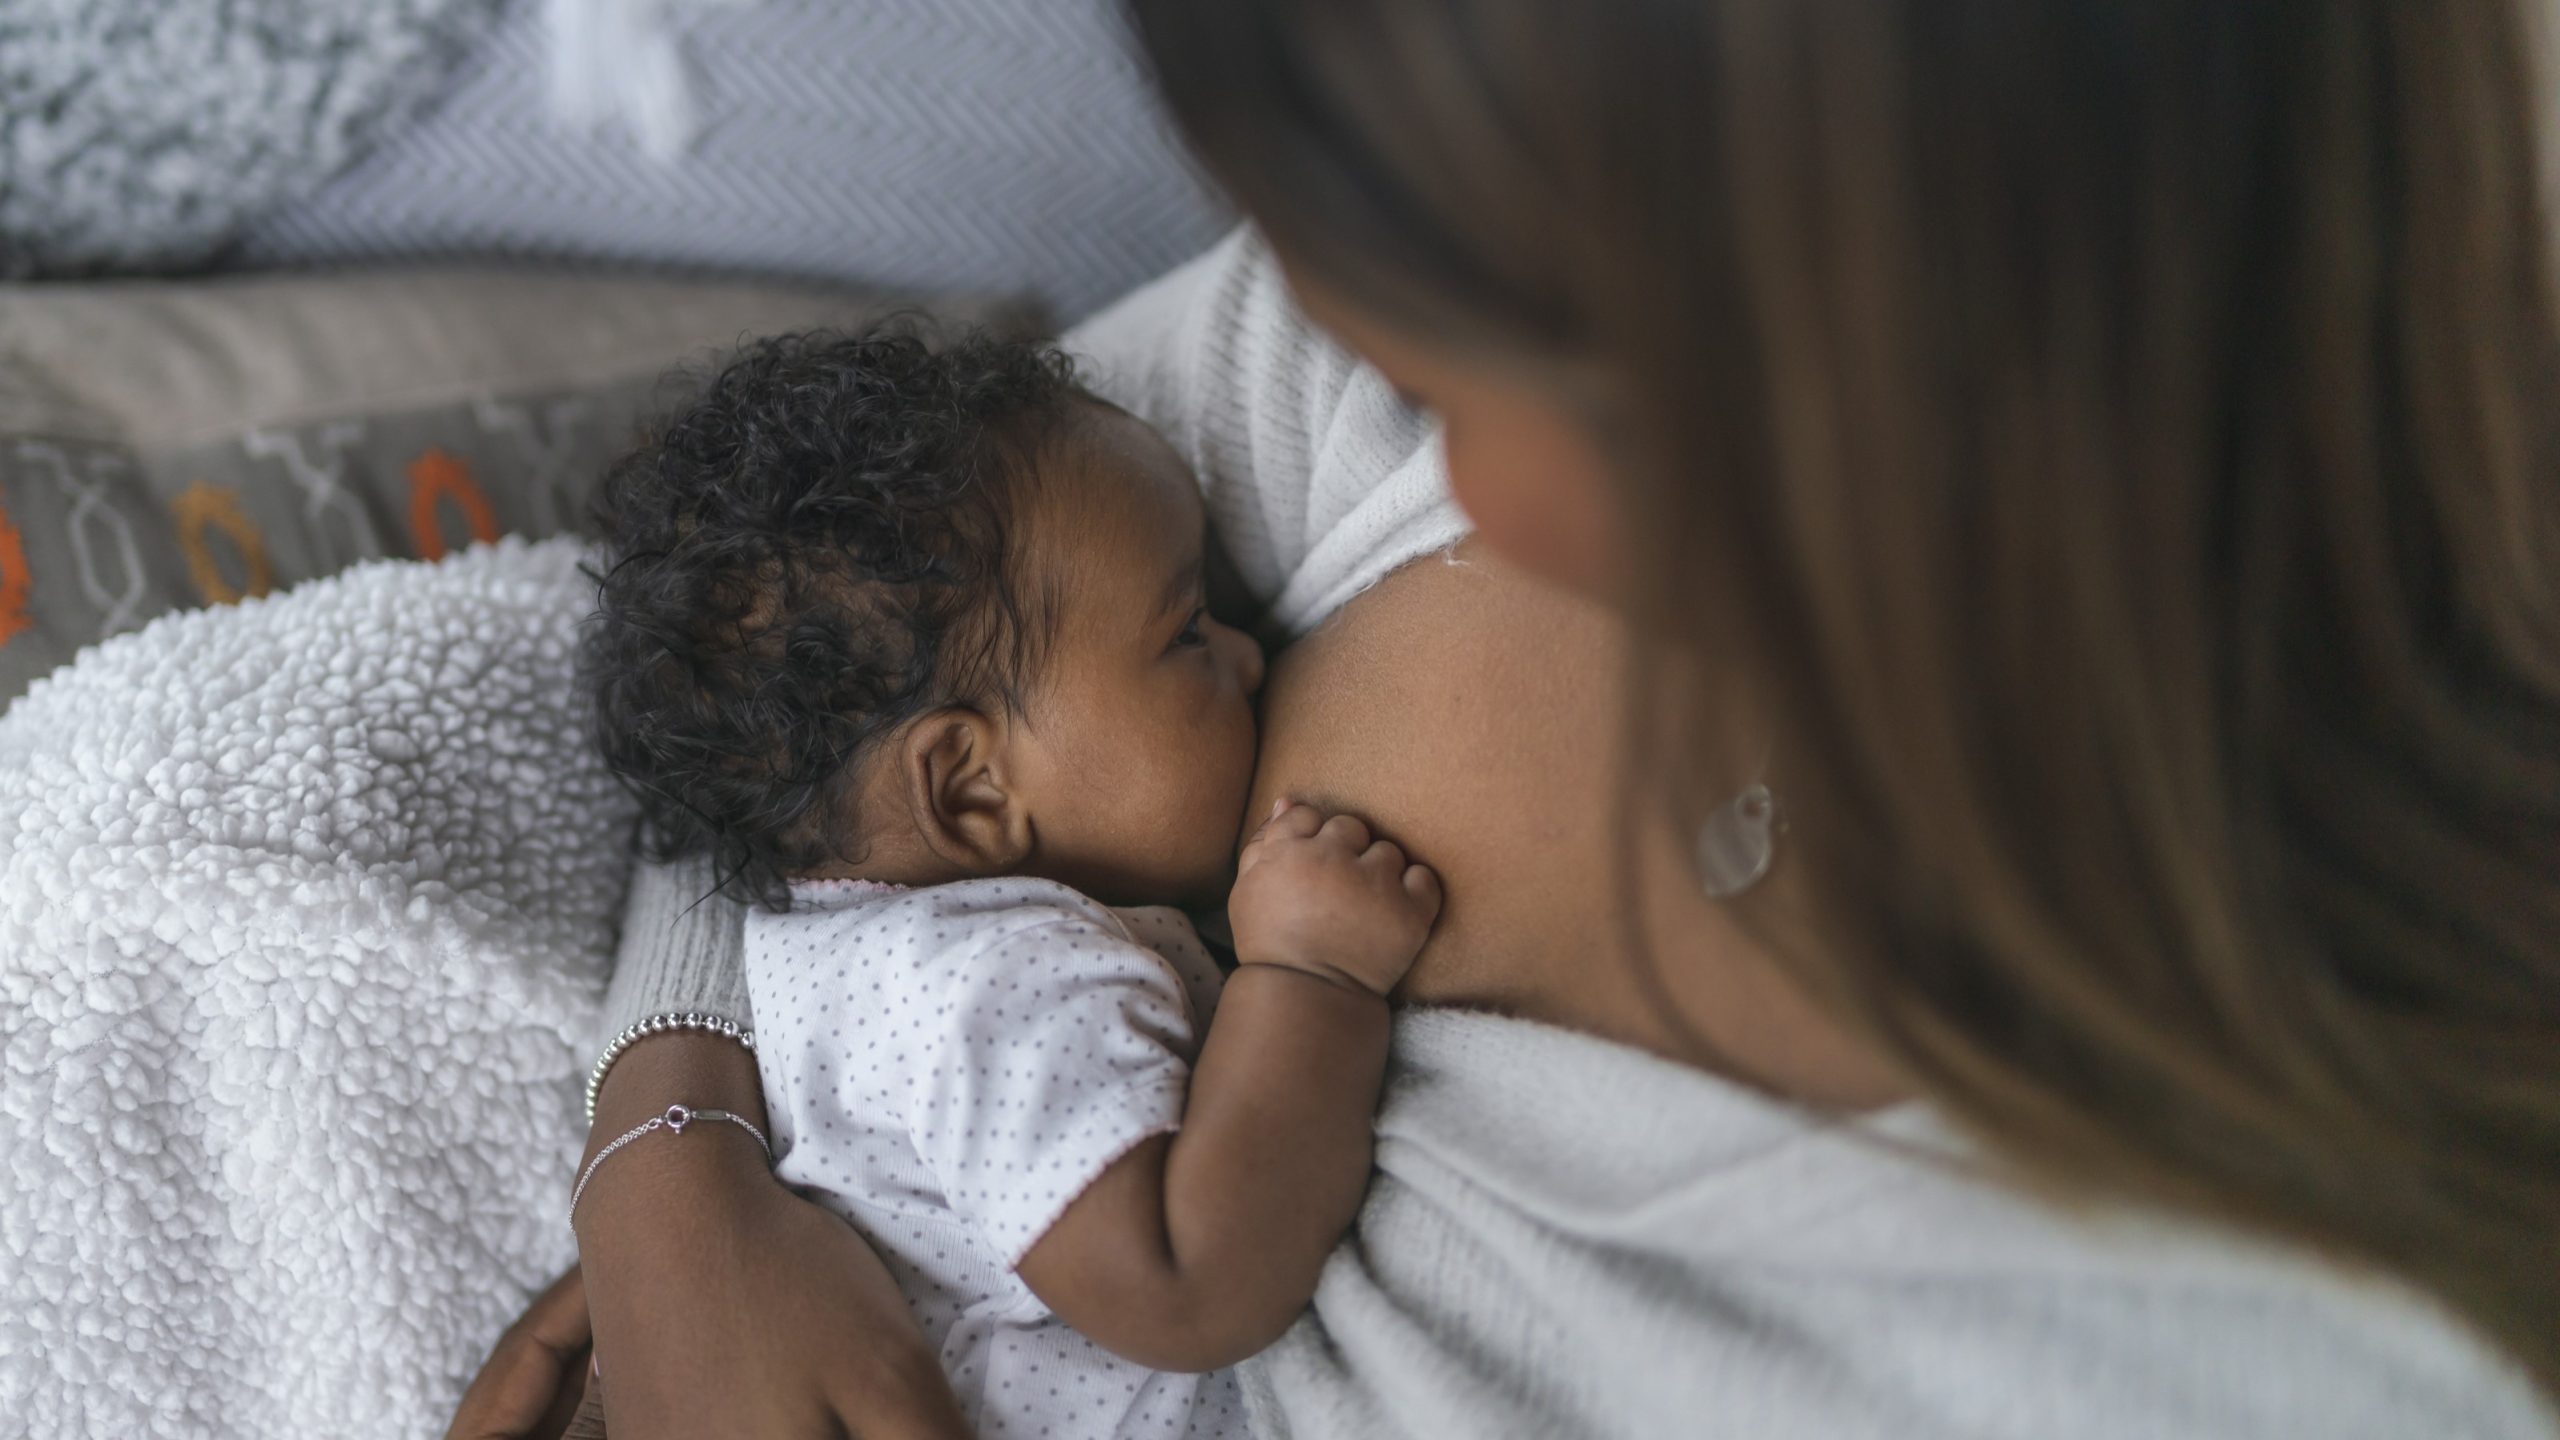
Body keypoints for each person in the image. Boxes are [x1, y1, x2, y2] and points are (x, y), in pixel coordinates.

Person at [452, 2, 2560, 1436]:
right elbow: (799, 678)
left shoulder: (2170, 1326)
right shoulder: (1420, 268)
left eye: (1471, 382)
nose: (1448, 478)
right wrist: (672, 1160)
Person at [572, 327, 1439, 1438]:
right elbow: (1183, 1280)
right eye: (1185, 634)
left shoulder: (841, 951)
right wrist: (1312, 979)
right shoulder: (1000, 985)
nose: (1250, 656)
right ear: (971, 791)